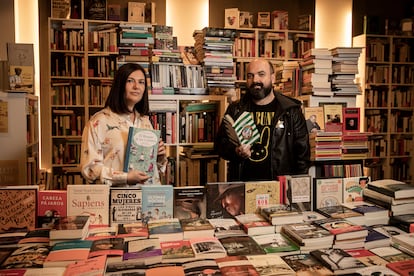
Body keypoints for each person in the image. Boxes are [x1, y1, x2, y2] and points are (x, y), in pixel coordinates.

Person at [214, 58, 310, 181]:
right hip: (243, 186)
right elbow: (220, 145)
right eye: (250, 76)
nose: (255, 80)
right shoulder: (235, 109)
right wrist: (236, 151)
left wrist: (297, 190)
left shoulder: (291, 110)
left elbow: (302, 156)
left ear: (273, 78)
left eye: (261, 74)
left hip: (278, 187)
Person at [80, 63, 167, 186]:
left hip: (147, 199)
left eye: (141, 82)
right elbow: (89, 169)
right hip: (115, 199)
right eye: (130, 81)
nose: (137, 86)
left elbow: (153, 171)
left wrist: (159, 157)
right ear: (120, 85)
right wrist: (124, 177)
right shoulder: (98, 122)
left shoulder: (145, 122)